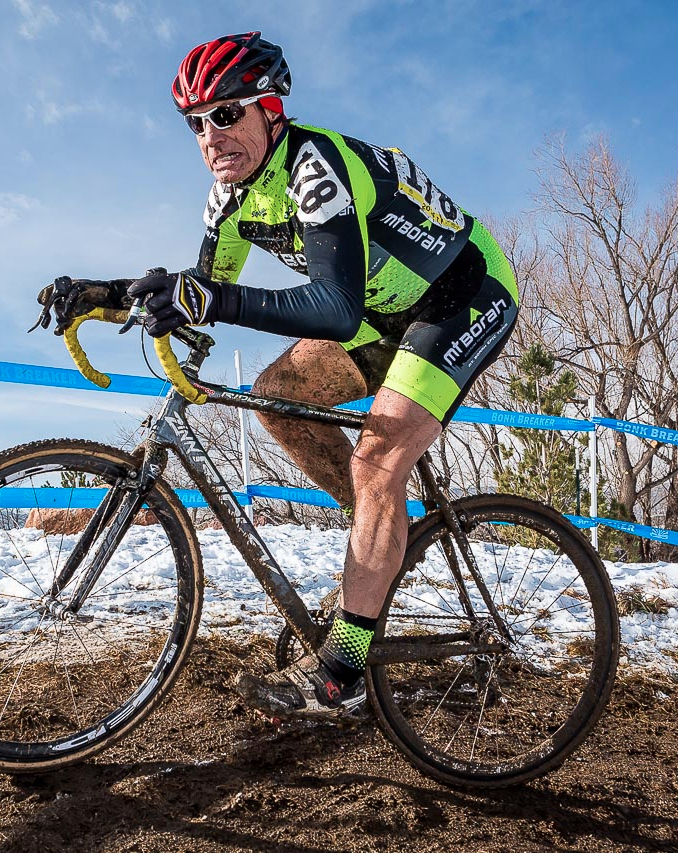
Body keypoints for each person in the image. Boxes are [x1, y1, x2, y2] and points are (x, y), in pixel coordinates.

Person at [35, 31, 519, 720]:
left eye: (226, 114)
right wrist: (105, 292)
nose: (210, 135)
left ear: (270, 109)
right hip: (388, 315)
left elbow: (333, 305)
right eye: (195, 123)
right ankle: (378, 546)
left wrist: (209, 299)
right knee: (276, 397)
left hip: (463, 294)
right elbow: (201, 288)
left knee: (379, 461)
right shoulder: (230, 198)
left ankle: (343, 669)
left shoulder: (314, 167)